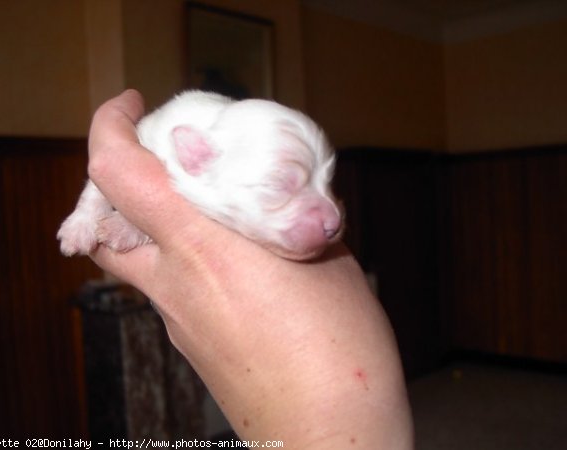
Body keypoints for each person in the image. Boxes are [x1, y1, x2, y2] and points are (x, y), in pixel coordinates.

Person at [87, 90, 414, 449]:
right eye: (278, 186)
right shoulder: (169, 140)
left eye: (326, 182)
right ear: (195, 156)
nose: (333, 218)